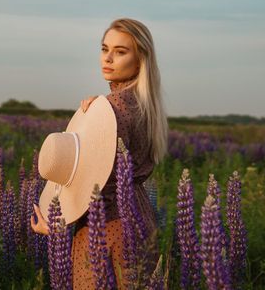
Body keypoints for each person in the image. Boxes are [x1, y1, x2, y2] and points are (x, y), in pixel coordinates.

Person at [31, 18, 169, 289]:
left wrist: (56, 223)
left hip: (105, 229)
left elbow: (95, 185)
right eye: (104, 48)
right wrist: (98, 113)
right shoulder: (144, 104)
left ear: (140, 59)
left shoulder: (113, 107)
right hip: (141, 220)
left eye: (120, 51)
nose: (108, 58)